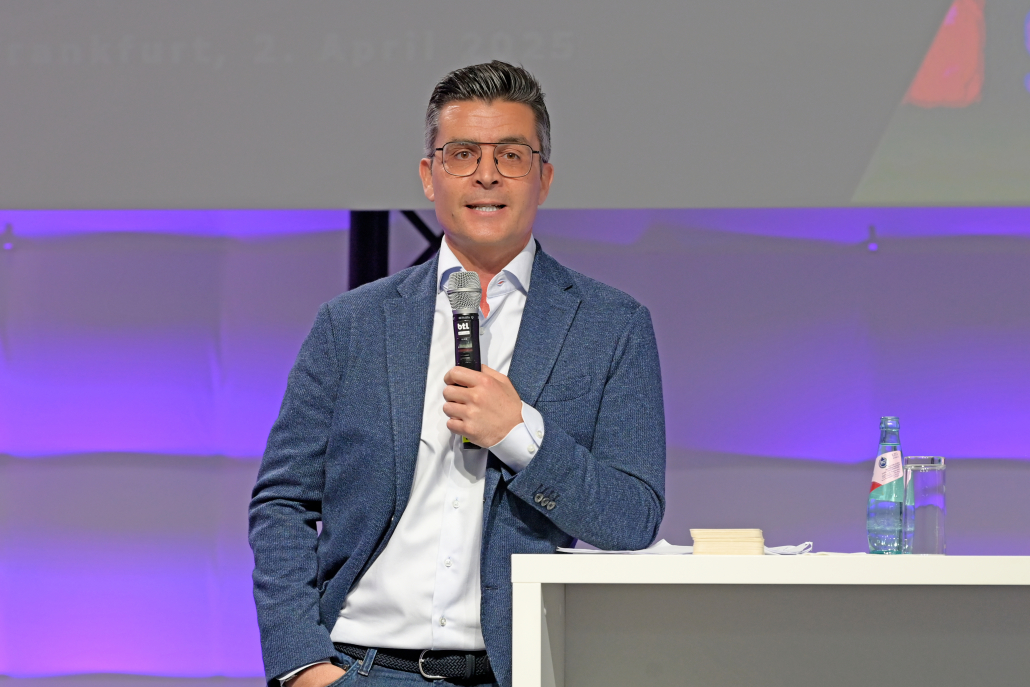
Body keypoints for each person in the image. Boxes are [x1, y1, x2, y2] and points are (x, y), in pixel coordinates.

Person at [249, 61, 666, 687]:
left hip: (521, 669)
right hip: (362, 667)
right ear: (429, 175)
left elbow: (632, 517)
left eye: (511, 156)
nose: (487, 174)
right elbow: (283, 501)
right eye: (463, 154)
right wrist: (303, 666)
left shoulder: (611, 325)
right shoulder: (353, 324)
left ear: (544, 178)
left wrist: (520, 436)